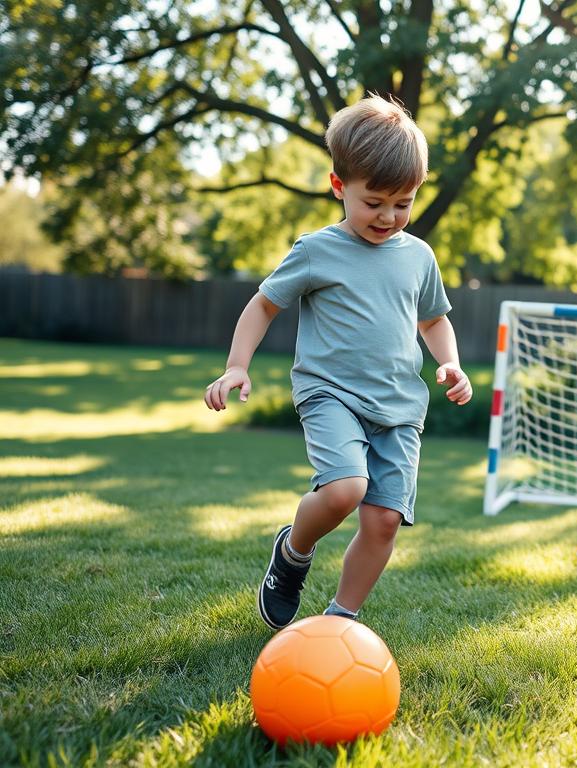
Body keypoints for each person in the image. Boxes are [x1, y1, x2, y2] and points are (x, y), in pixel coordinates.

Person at [204, 95, 472, 630]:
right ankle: (294, 552)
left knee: (384, 521)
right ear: (338, 187)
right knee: (346, 490)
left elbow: (434, 320)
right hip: (331, 394)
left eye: (403, 203)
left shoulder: (419, 257)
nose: (389, 216)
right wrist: (238, 366)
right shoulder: (316, 250)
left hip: (399, 407)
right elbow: (263, 304)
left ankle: (339, 620)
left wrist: (451, 364)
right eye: (374, 202)